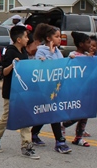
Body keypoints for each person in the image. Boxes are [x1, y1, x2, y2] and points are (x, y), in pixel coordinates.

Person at [0, 25, 39, 159]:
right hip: (10, 90)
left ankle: (26, 146)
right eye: (26, 37)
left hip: (23, 90)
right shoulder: (10, 52)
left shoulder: (24, 52)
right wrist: (12, 65)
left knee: (25, 117)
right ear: (19, 39)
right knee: (6, 117)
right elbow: (4, 72)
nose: (28, 39)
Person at [29, 23, 72, 153]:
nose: (60, 39)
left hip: (56, 87)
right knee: (54, 113)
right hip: (44, 88)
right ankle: (60, 142)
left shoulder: (58, 51)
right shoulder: (41, 50)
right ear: (49, 38)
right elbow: (42, 68)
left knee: (47, 112)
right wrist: (50, 54)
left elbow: (61, 66)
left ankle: (34, 132)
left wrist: (70, 59)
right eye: (57, 36)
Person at [60, 31, 92, 147]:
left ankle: (79, 137)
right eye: (88, 43)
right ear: (81, 44)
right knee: (77, 112)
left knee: (86, 113)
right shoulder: (73, 55)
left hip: (86, 90)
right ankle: (63, 125)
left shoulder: (89, 57)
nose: (90, 45)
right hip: (75, 90)